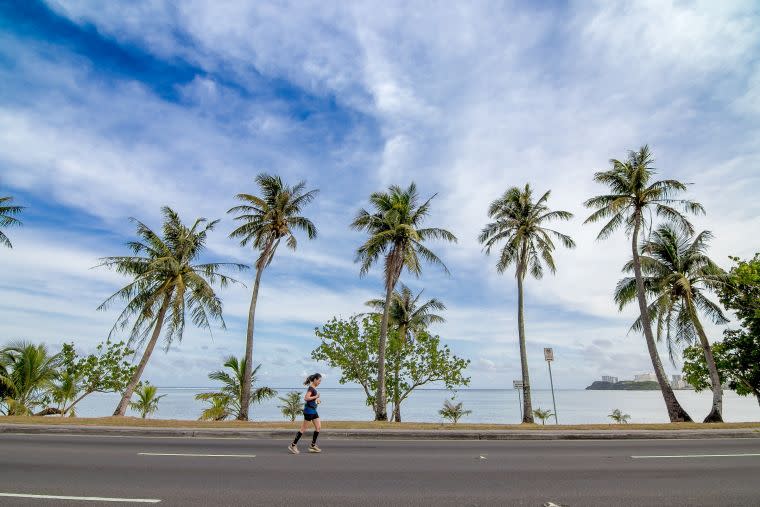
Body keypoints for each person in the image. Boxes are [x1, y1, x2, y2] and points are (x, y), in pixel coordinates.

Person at [288, 373, 322, 454]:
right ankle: (293, 445)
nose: (320, 382)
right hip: (309, 411)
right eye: (319, 381)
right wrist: (316, 397)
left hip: (313, 411)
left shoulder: (313, 388)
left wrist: (316, 400)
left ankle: (313, 446)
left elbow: (311, 399)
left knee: (318, 427)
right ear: (315, 380)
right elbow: (306, 398)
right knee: (303, 429)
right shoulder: (311, 388)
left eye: (320, 381)